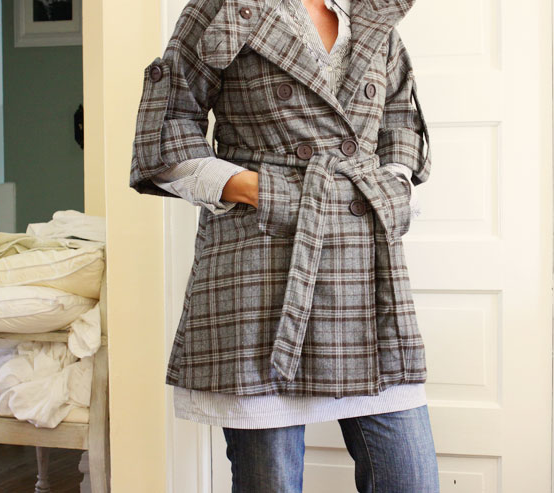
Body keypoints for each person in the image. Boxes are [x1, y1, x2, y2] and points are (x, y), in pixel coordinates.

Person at [130, 0, 439, 491]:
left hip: (363, 269)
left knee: (410, 478)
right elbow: (167, 129)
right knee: (270, 481)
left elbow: (399, 118)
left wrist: (395, 188)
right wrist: (261, 191)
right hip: (261, 266)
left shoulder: (371, 10)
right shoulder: (224, 7)